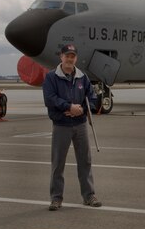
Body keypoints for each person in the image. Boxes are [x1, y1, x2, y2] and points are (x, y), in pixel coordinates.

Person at [42, 44, 102, 211]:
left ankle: (89, 196)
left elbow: (91, 96)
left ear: (76, 58)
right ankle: (56, 198)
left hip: (80, 124)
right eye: (67, 55)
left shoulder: (83, 77)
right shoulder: (51, 77)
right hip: (61, 125)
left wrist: (82, 109)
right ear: (61, 56)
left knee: (85, 161)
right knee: (58, 163)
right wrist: (68, 107)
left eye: (72, 56)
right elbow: (50, 99)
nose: (70, 59)